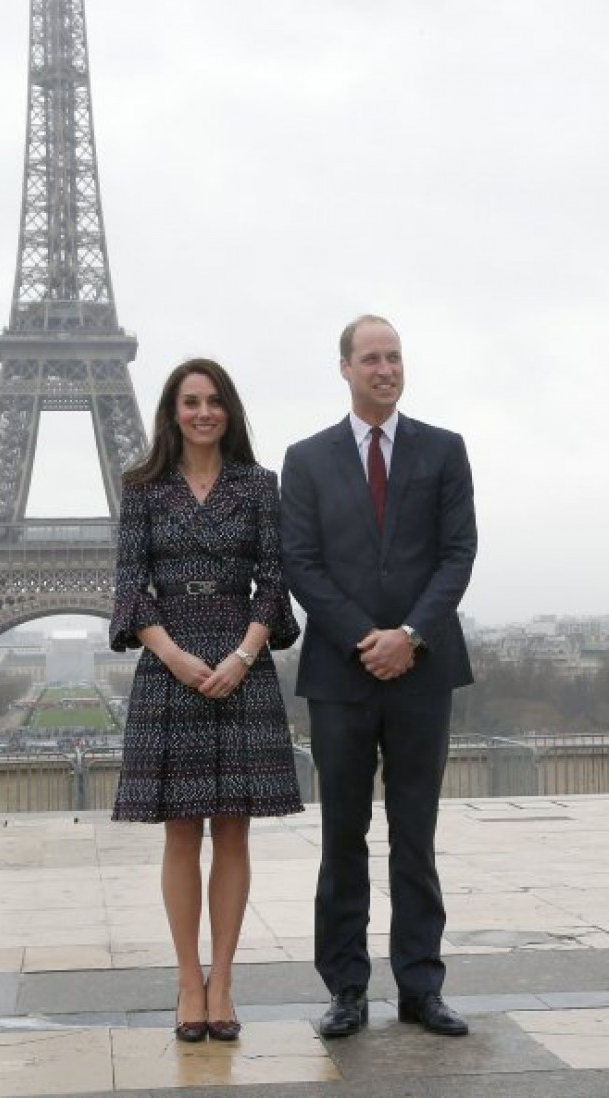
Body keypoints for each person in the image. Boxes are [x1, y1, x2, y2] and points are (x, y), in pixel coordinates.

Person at [280, 315, 477, 1038]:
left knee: (416, 836)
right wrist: (369, 637)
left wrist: (411, 636)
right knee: (343, 836)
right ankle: (347, 989)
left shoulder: (445, 450)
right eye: (371, 358)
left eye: (395, 357)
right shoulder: (306, 460)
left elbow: (458, 553)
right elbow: (301, 562)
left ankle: (421, 987)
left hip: (422, 671)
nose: (386, 368)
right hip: (343, 672)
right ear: (345, 368)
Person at [110, 357, 303, 1043]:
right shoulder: (143, 489)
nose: (203, 412)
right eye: (190, 401)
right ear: (172, 411)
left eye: (215, 400)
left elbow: (275, 583)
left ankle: (223, 979)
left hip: (239, 658)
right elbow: (130, 586)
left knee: (233, 830)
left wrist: (244, 655)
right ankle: (187, 980)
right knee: (181, 832)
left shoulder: (258, 485)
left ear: (230, 410)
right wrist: (174, 655)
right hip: (172, 661)